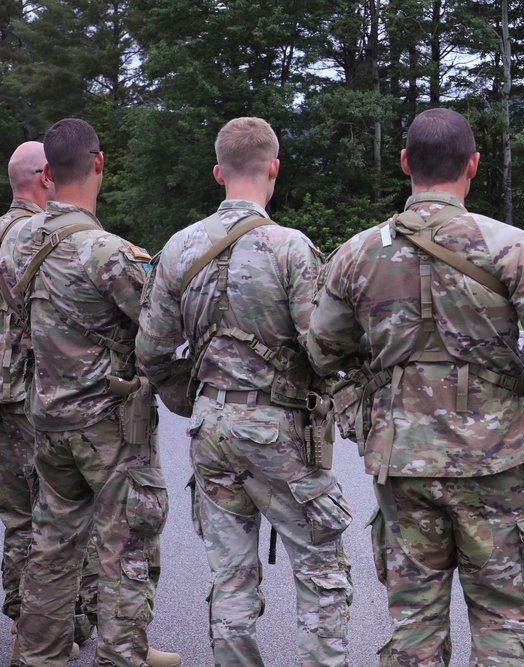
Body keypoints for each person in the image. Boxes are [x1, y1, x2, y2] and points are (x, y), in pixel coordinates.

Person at [306, 107, 524, 666]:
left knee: (415, 627)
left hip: (401, 461)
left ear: (406, 163)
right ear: (473, 165)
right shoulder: (513, 247)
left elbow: (322, 350)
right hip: (494, 463)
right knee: (504, 619)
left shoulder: (356, 254)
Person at [135, 117, 353, 666]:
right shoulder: (292, 248)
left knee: (230, 574)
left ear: (217, 172)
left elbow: (152, 350)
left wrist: (193, 399)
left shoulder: (179, 248)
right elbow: (323, 347)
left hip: (211, 427)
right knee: (320, 569)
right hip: (281, 431)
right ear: (274, 168)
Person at [0, 119, 180, 666]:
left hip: (47, 421)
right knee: (125, 547)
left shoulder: (15, 245)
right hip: (109, 430)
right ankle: (120, 656)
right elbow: (159, 330)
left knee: (52, 547)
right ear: (99, 164)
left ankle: (38, 657)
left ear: (49, 173)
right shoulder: (108, 252)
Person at [0, 142, 99, 663]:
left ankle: (28, 623)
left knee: (19, 517)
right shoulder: (38, 236)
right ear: (45, 177)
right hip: (29, 396)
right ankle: (56, 630)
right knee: (57, 520)